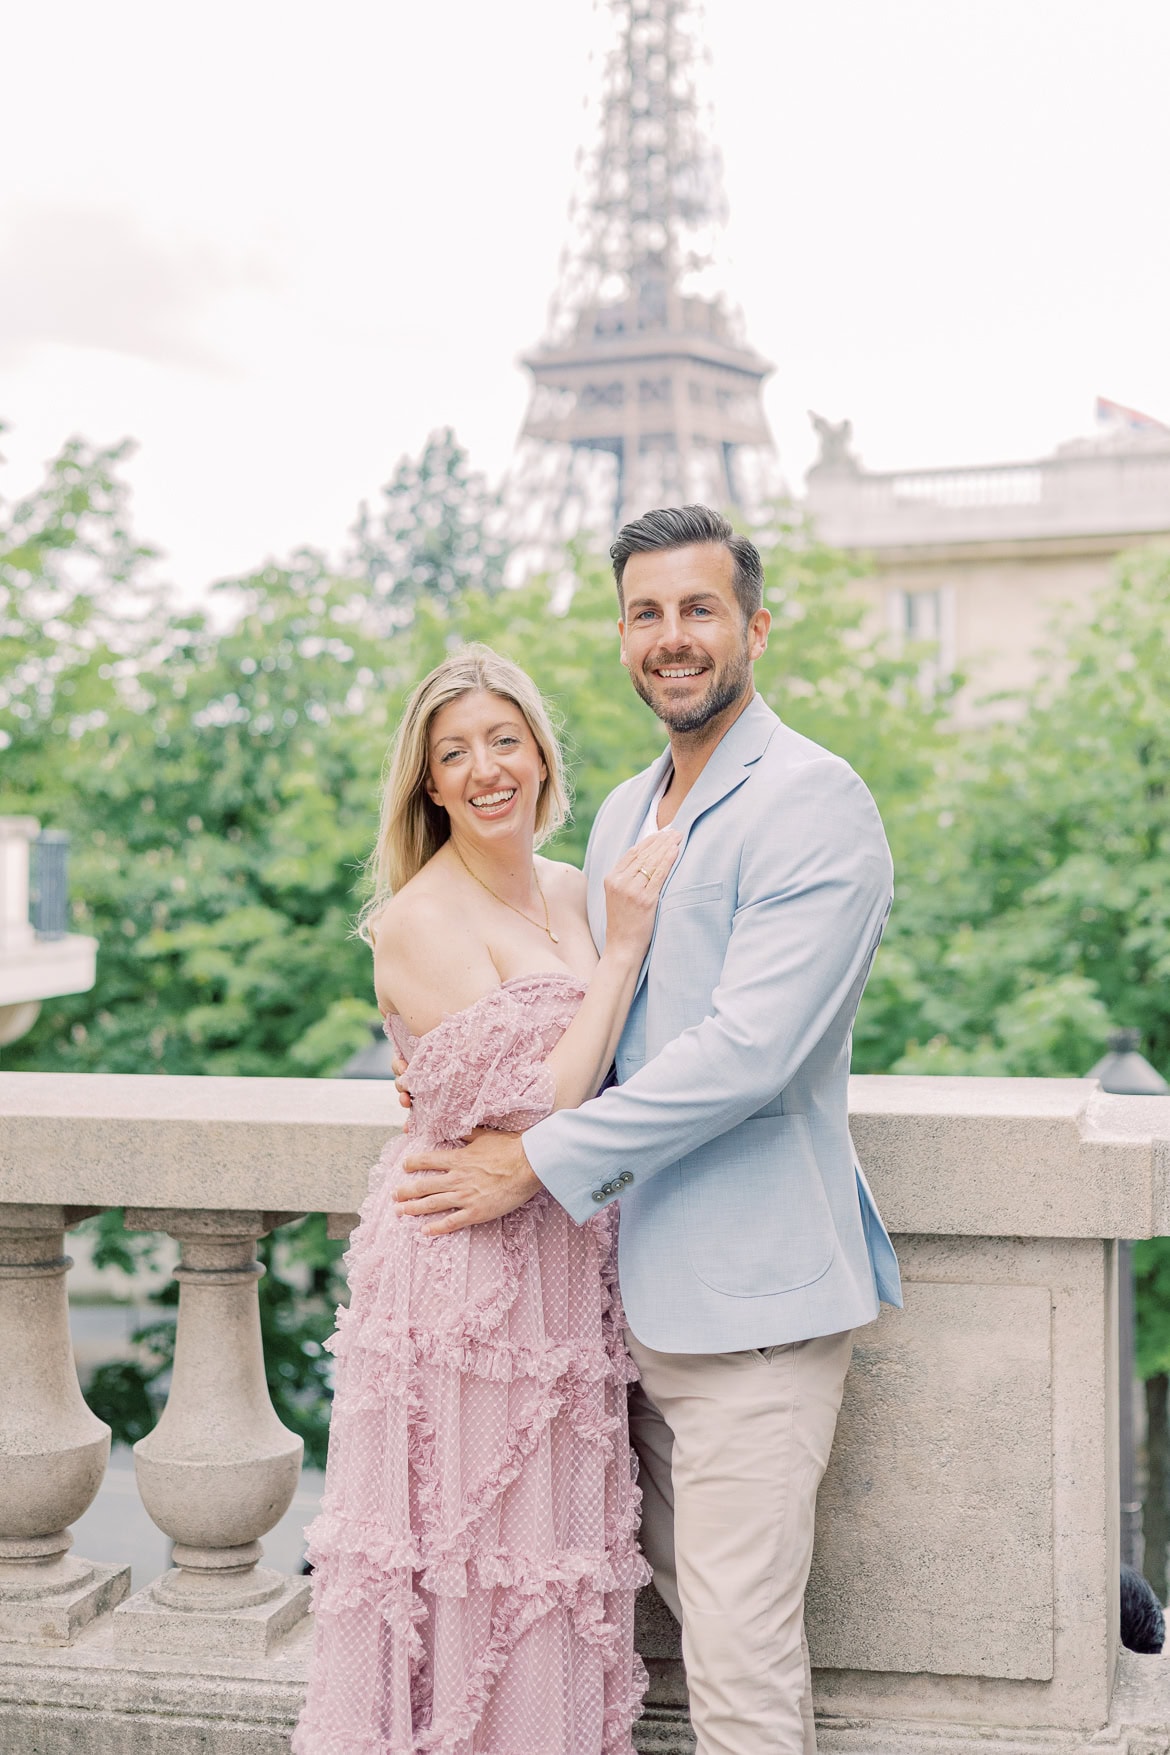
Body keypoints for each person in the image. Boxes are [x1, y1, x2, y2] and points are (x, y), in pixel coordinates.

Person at [398, 505, 903, 1755]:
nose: (670, 637)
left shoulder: (814, 802)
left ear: (753, 627)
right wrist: (453, 1080)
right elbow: (591, 1018)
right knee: (683, 1641)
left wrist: (536, 1162)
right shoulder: (625, 811)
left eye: (697, 609)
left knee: (738, 1668)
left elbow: (749, 1053)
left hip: (753, 1315)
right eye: (645, 613)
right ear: (622, 636)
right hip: (608, 1314)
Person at [292, 646, 680, 1755]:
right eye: (453, 753)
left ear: (541, 754)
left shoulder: (569, 890)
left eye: (503, 740)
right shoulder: (419, 919)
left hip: (566, 1271)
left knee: (551, 1578)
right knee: (477, 1573)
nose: (485, 769)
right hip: (463, 1284)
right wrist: (625, 952)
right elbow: (549, 1105)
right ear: (427, 783)